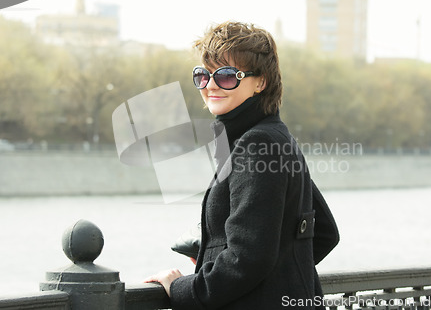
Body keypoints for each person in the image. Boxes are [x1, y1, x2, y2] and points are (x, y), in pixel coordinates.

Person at [144, 21, 339, 309]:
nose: (210, 85)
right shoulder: (274, 137)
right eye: (202, 75)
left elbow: (248, 257)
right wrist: (214, 255)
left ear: (261, 82)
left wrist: (183, 288)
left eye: (225, 76)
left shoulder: (256, 145)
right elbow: (323, 232)